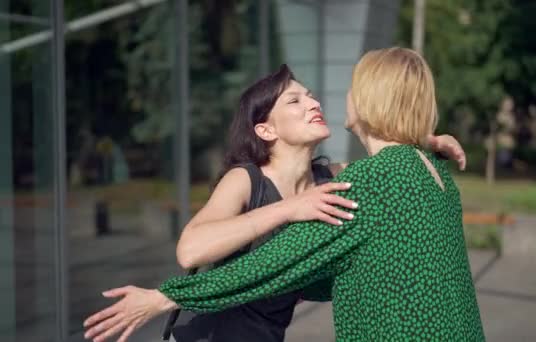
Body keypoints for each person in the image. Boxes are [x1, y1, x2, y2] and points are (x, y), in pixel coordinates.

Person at [84, 48, 481, 342]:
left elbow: (392, 151)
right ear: (266, 130)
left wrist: (424, 140)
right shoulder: (248, 180)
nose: (314, 102)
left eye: (311, 95)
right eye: (295, 100)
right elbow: (192, 251)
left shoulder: (339, 180)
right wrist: (289, 208)